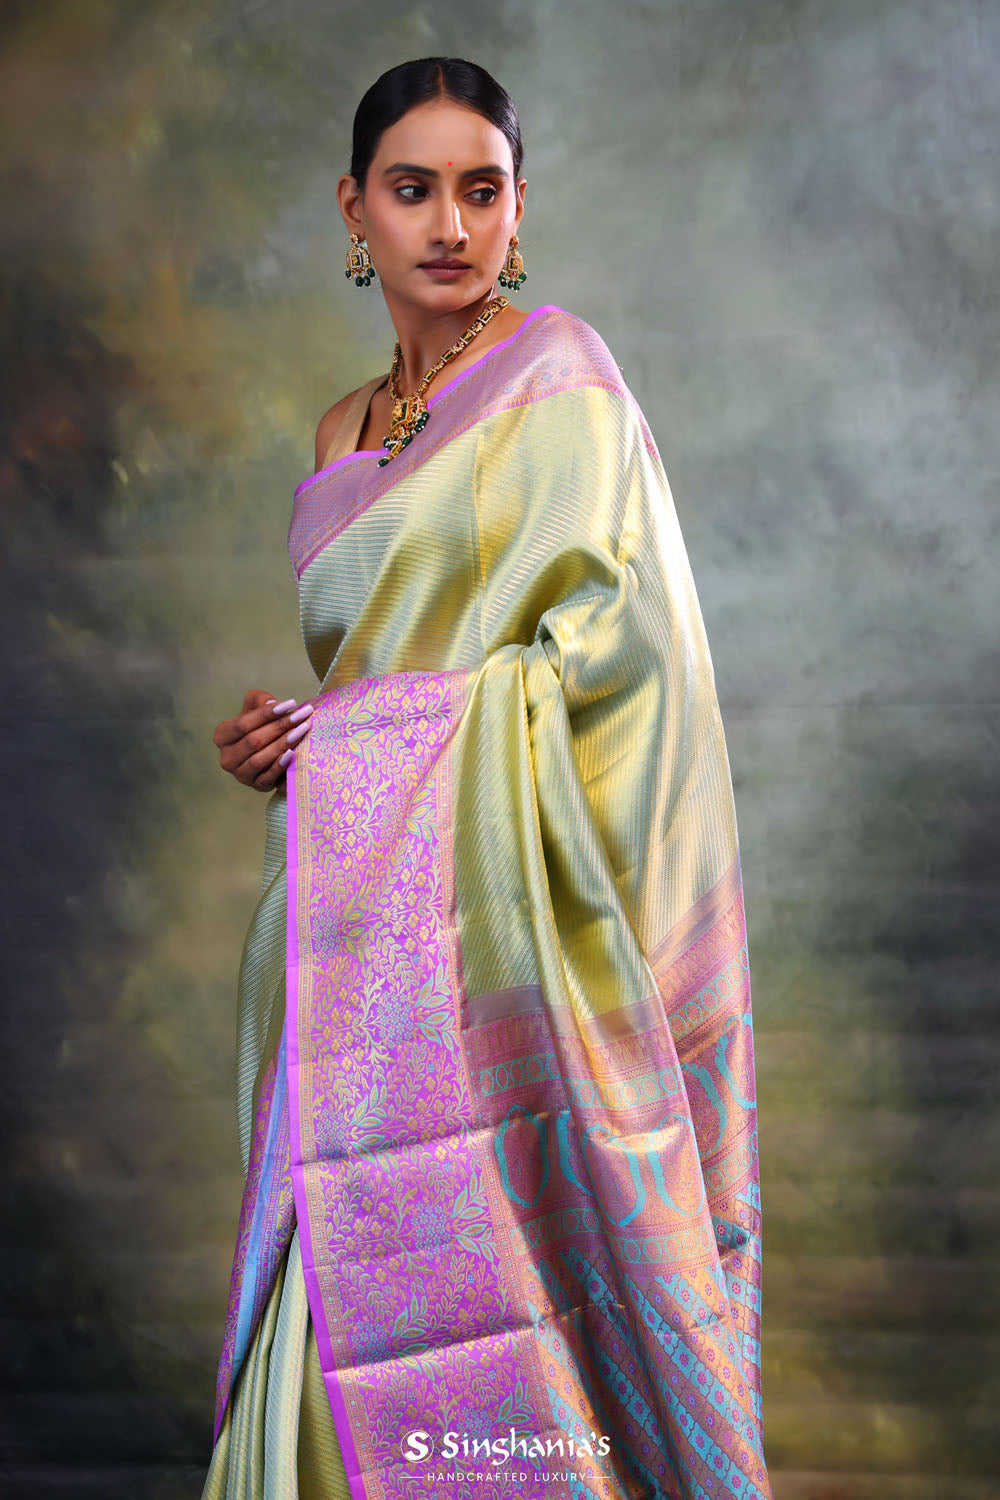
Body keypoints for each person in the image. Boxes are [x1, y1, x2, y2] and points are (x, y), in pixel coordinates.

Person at [202, 55, 771, 1500]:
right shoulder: (341, 430)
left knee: (518, 1326)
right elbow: (373, 682)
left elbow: (615, 658)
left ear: (520, 209)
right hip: (353, 948)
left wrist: (362, 743)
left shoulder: (561, 382)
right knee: (335, 1306)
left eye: (482, 190)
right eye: (414, 190)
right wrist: (296, 749)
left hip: (512, 943)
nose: (450, 225)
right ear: (355, 210)